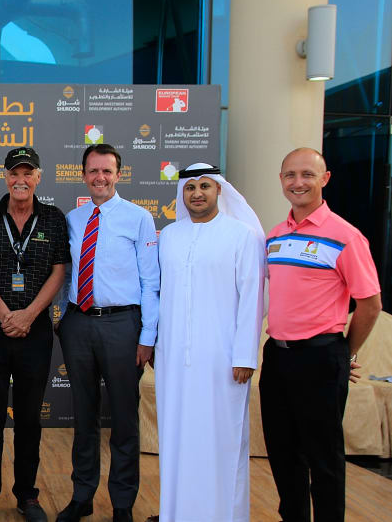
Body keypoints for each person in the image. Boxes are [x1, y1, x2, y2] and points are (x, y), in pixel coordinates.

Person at [260, 148, 382, 522]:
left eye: (307, 175)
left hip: (320, 356)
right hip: (277, 356)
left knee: (323, 458)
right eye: (290, 175)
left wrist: (345, 352)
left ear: (324, 179)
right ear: (281, 180)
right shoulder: (275, 236)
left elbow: (370, 304)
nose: (298, 183)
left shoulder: (346, 235)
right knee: (282, 453)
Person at [152, 163, 265, 522]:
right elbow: (161, 297)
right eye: (189, 188)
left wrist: (245, 355)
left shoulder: (241, 235)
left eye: (205, 186)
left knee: (221, 443)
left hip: (224, 360)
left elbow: (252, 299)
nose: (197, 193)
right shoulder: (169, 236)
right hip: (174, 361)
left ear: (219, 190)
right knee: (177, 440)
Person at [56, 144, 159, 522]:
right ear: (83, 174)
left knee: (124, 420)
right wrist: (64, 318)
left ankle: (122, 504)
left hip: (122, 326)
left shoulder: (138, 218)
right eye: (93, 171)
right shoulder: (72, 218)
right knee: (83, 419)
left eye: (107, 171)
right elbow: (66, 273)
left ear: (118, 175)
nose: (100, 177)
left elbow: (151, 280)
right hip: (79, 323)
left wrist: (147, 336)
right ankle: (82, 496)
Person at [0, 147, 69, 522]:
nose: (21, 180)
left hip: (36, 329)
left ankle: (28, 495)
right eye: (15, 173)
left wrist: (28, 315)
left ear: (39, 178)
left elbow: (59, 271)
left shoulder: (54, 219)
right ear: (6, 177)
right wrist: (4, 314)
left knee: (29, 418)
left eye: (28, 173)